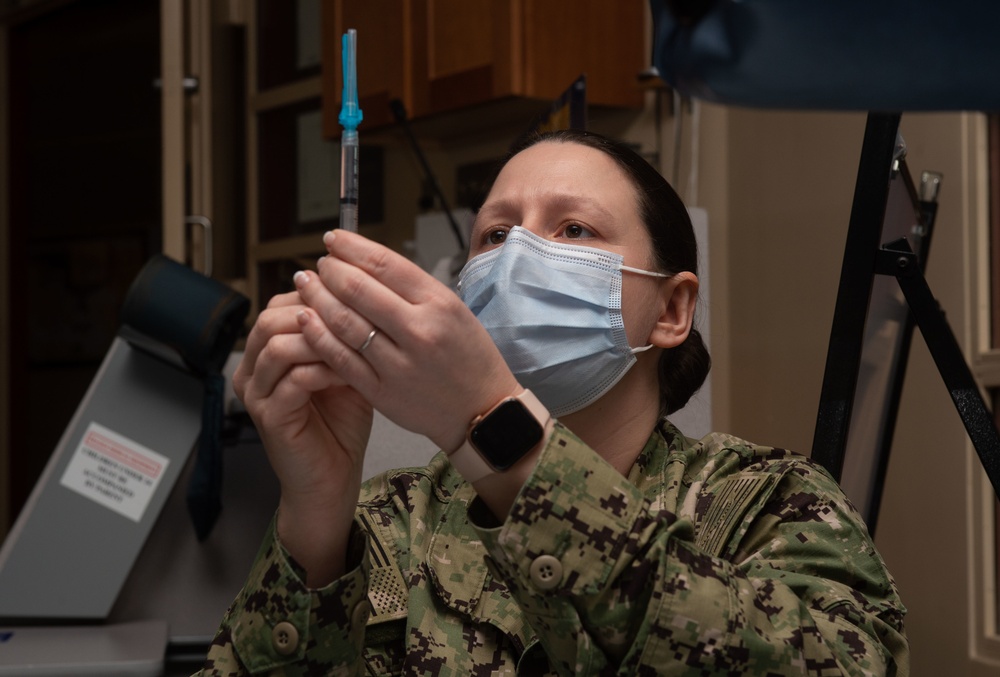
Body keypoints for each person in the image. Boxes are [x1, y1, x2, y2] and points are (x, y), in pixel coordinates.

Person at [197, 129, 908, 675]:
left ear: (672, 307)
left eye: (574, 229)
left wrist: (503, 433)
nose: (516, 259)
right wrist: (315, 516)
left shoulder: (768, 504)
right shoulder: (384, 523)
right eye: (495, 234)